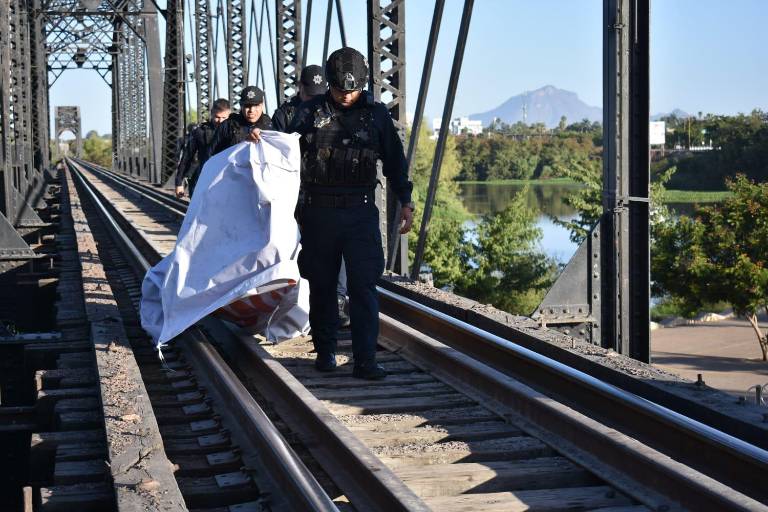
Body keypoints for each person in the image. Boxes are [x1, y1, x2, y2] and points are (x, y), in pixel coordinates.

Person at [288, 47, 415, 380]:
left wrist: (406, 199)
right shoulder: (307, 113)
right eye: (341, 89)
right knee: (323, 285)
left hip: (360, 212)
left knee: (363, 287)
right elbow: (280, 149)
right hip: (318, 213)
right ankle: (326, 351)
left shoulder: (376, 114)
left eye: (353, 89)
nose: (347, 95)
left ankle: (365, 360)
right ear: (329, 82)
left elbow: (394, 160)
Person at [273, 65, 351, 328]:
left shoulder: (330, 110)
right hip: (294, 194)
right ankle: (299, 300)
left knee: (336, 247)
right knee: (303, 250)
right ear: (300, 89)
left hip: (325, 192)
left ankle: (338, 301)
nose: (316, 97)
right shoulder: (285, 115)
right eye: (311, 92)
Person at [175, 99, 231, 198]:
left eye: (224, 118)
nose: (220, 121)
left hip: (226, 179)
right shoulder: (200, 132)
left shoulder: (234, 132)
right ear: (212, 114)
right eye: (217, 117)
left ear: (229, 115)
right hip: (203, 178)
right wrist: (179, 182)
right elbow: (187, 157)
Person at [206, 86, 272, 160]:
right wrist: (244, 143)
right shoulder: (228, 125)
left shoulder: (270, 126)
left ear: (262, 105)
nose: (252, 110)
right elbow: (210, 155)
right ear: (241, 105)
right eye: (247, 106)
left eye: (256, 105)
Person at [272, 64, 328, 132]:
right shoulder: (283, 115)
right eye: (310, 95)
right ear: (300, 86)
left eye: (319, 95)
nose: (315, 99)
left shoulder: (332, 110)